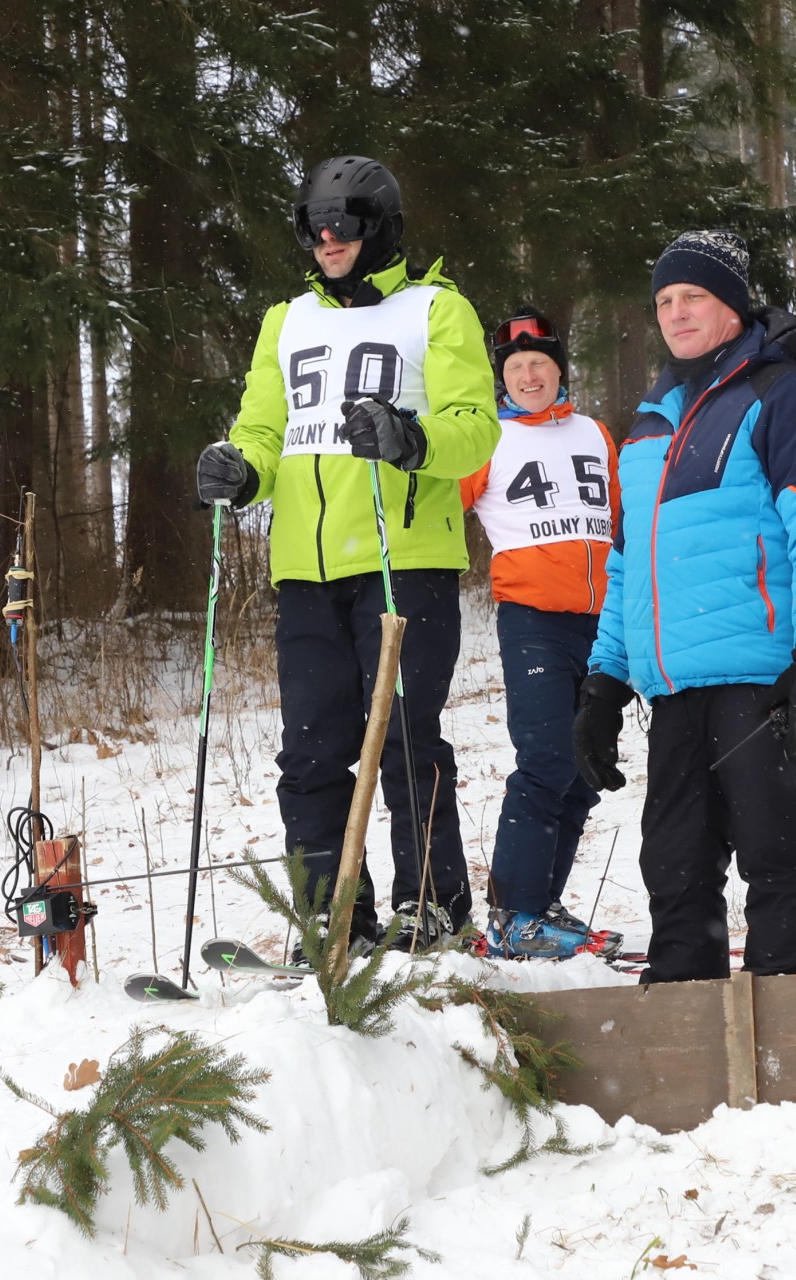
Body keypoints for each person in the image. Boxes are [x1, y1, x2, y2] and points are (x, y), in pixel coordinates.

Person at [195, 155, 499, 952]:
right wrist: (241, 467)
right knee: (311, 751)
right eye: (313, 227)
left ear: (381, 227)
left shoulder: (436, 310)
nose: (327, 240)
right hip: (307, 567)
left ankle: (431, 904)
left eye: (344, 225)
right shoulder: (286, 320)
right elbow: (265, 428)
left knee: (403, 738)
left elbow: (476, 427)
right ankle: (333, 917)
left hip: (404, 559)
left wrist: (410, 436)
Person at [573, 230, 796, 983]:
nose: (676, 312)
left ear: (732, 305)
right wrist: (604, 679)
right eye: (664, 300)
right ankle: (684, 1019)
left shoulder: (785, 396)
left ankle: (793, 1024)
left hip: (760, 680)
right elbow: (629, 562)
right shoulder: (649, 424)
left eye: (693, 296)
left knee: (776, 856)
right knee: (675, 870)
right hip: (675, 690)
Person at [461, 308, 622, 959]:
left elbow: (622, 517)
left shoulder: (595, 432)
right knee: (548, 759)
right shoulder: (485, 439)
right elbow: (435, 504)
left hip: (603, 623)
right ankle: (512, 915)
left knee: (584, 769)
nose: (529, 376)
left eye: (540, 364)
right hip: (533, 618)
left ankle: (543, 909)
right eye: (516, 367)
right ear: (502, 378)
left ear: (560, 370)